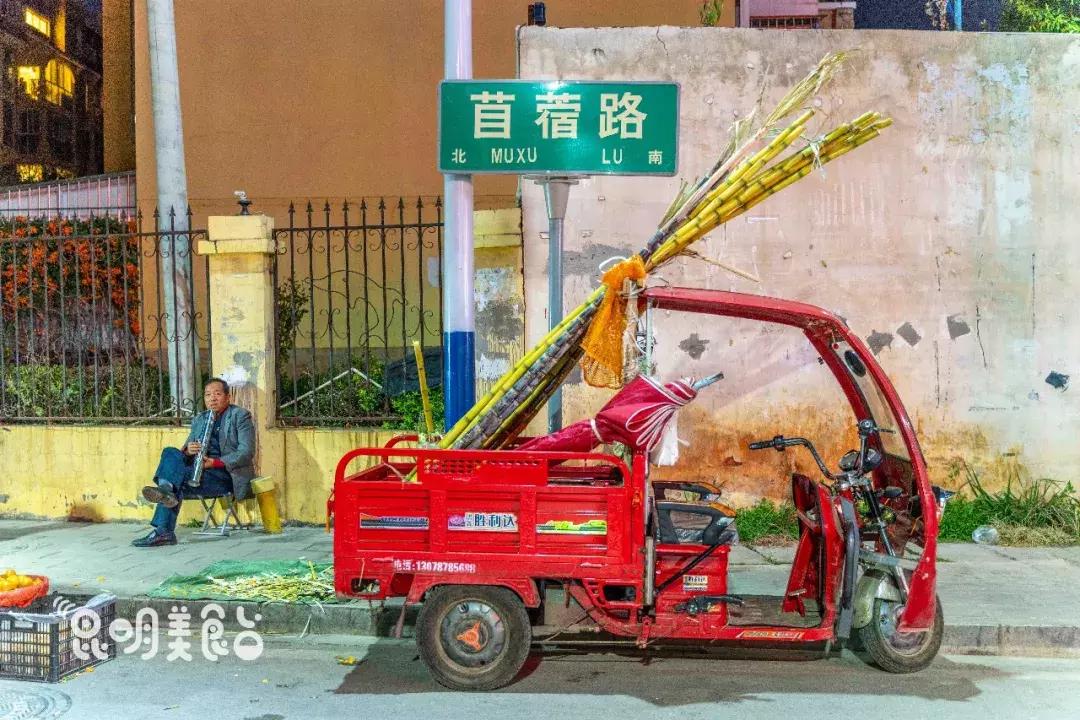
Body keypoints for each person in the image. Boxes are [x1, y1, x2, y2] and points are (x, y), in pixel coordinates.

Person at [133, 377, 256, 547]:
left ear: (228, 397)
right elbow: (183, 455)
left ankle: (163, 529)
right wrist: (188, 451)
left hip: (225, 475)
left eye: (217, 394)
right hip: (197, 471)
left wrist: (214, 463)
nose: (212, 399)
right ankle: (166, 491)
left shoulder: (240, 416)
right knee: (170, 452)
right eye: (208, 395)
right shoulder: (200, 419)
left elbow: (246, 452)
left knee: (177, 480)